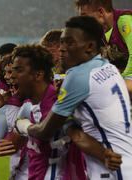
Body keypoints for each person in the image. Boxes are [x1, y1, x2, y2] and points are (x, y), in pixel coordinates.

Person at [27, 16, 132, 179]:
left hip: (111, 169)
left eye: (69, 43)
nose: (62, 48)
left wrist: (24, 125)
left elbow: (45, 130)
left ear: (89, 46)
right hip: (125, 160)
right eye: (62, 42)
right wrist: (69, 124)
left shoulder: (78, 76)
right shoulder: (108, 67)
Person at [75, 0, 132, 96]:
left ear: (101, 12)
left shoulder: (124, 21)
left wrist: (121, 78)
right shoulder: (99, 35)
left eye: (84, 16)